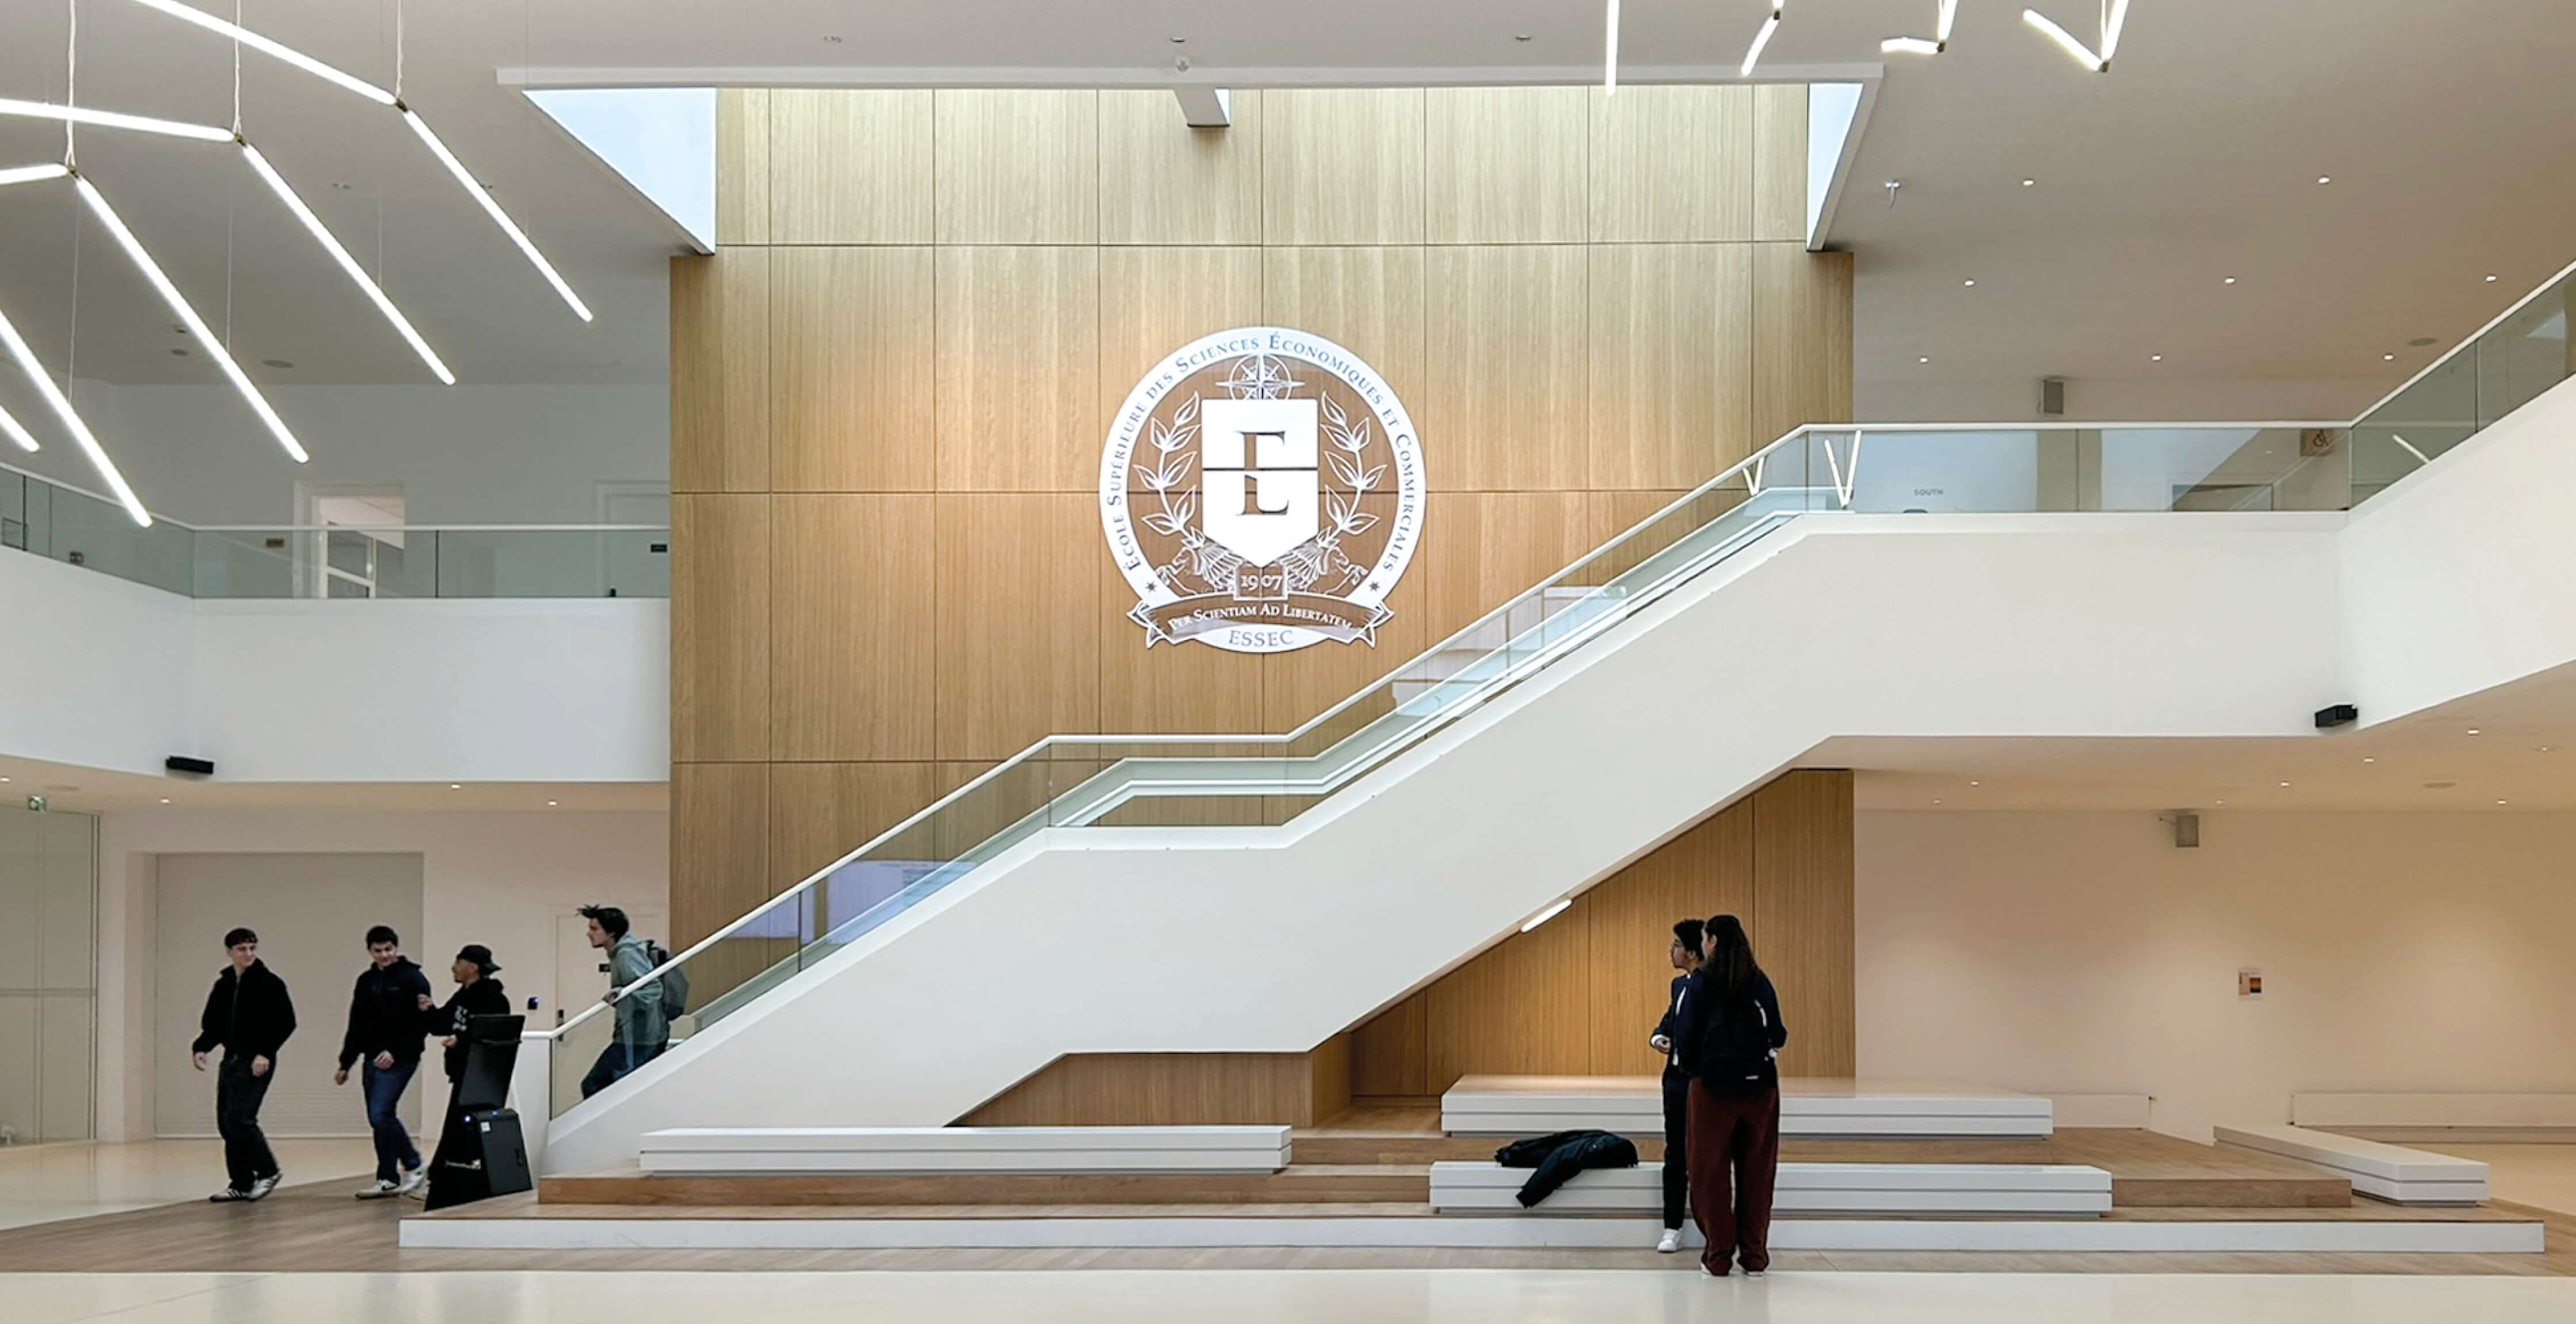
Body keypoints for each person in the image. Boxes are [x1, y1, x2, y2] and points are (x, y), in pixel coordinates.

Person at [1675, 913, 1787, 1278]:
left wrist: (1694, 1069)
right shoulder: (1759, 980)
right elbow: (1779, 1034)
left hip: (1712, 1091)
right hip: (1760, 1090)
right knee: (1757, 1172)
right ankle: (1754, 1257)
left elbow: (1686, 1037)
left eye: (1706, 939)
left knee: (1709, 1173)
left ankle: (1718, 1256)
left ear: (1713, 943)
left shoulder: (1701, 984)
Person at [190, 927, 296, 1203]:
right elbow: (213, 1023)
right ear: (230, 953)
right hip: (232, 1058)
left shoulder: (270, 982)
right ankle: (241, 1182)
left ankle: (268, 1171)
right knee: (227, 1123)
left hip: (256, 1060)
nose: (248, 954)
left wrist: (265, 1052)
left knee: (241, 1119)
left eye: (252, 948)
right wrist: (201, 1047)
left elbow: (286, 1022)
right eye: (241, 949)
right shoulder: (224, 983)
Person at [333, 925, 433, 1199]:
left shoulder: (413, 978)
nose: (384, 955)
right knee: (378, 1118)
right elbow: (357, 1023)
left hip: (402, 1058)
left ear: (396, 948)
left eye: (388, 949)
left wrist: (396, 1052)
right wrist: (346, 1062)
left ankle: (411, 1165)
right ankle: (389, 1177)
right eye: (378, 951)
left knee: (381, 1112)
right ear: (370, 951)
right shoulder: (366, 981)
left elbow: (419, 1023)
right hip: (371, 1057)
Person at [1647, 916, 1705, 1254]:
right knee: (1675, 1152)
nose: (1672, 951)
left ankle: (1709, 1225)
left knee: (1705, 1153)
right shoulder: (1679, 986)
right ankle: (1672, 1226)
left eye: (1678, 945)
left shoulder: (1710, 987)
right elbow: (1669, 1019)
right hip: (1676, 1079)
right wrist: (1658, 1037)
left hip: (1702, 1080)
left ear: (1694, 951)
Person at [577, 905, 667, 1098]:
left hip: (641, 1037)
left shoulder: (627, 954)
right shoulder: (620, 954)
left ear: (611, 933)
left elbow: (653, 990)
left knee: (594, 1085)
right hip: (635, 1035)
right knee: (608, 1087)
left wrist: (622, 993)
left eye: (595, 929)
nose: (589, 934)